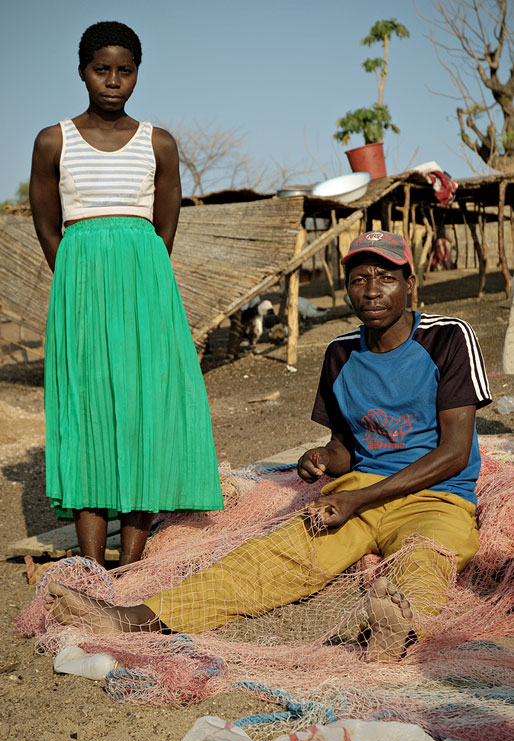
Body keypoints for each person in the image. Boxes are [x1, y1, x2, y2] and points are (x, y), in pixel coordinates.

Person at [44, 230, 491, 662]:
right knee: (265, 559)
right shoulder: (340, 353)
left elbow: (454, 451)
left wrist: (359, 497)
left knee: (425, 559)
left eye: (387, 277)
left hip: (437, 498)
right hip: (359, 495)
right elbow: (347, 448)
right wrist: (320, 459)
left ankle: (395, 630)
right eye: (359, 279)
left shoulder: (448, 337)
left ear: (410, 283)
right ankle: (137, 619)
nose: (372, 291)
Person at [30, 21, 223, 567]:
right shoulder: (53, 140)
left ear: (137, 73)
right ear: (82, 72)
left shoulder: (158, 141)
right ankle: (93, 567)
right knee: (88, 409)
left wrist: (142, 279)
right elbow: (46, 223)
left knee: (144, 408)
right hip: (81, 288)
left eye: (125, 70)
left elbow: (165, 225)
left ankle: (132, 563)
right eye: (101, 69)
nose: (113, 81)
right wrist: (76, 276)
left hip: (146, 288)